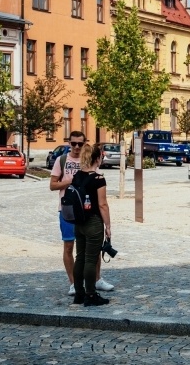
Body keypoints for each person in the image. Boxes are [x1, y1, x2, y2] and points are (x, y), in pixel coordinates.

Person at [50, 130, 113, 297]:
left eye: (80, 143)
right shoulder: (62, 160)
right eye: (73, 143)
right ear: (69, 143)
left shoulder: (89, 159)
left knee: (93, 247)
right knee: (70, 246)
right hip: (69, 210)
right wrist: (74, 180)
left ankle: (96, 280)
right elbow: (52, 185)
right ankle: (74, 284)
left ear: (85, 144)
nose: (76, 147)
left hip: (88, 211)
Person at [71, 143, 112, 306]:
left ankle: (79, 293)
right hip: (93, 222)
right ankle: (90, 294)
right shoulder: (98, 179)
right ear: (97, 158)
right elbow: (103, 204)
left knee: (79, 257)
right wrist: (108, 226)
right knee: (91, 259)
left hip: (78, 222)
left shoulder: (77, 176)